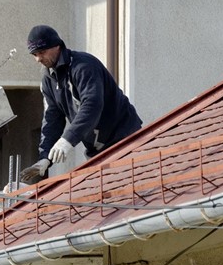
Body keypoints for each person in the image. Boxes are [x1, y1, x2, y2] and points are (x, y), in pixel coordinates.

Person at [20, 25, 142, 182]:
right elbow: (52, 118)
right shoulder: (48, 78)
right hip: (98, 150)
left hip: (125, 137)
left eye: (41, 52)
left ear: (56, 46)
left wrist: (67, 139)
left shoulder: (83, 66)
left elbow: (92, 105)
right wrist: (45, 157)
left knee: (133, 191)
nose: (38, 59)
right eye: (34, 55)